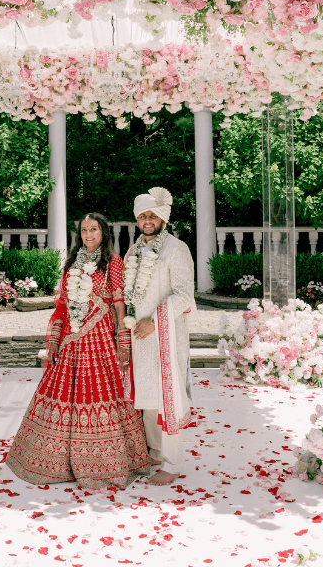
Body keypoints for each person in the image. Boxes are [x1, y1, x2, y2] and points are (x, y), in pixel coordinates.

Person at [5, 213, 154, 488]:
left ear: (103, 232)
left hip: (101, 339)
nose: (88, 235)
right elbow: (62, 305)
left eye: (93, 229)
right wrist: (53, 340)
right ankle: (59, 461)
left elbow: (119, 303)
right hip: (72, 339)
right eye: (84, 230)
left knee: (103, 394)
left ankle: (103, 463)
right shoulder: (72, 262)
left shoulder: (113, 262)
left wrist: (123, 341)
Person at [123, 187, 196, 486]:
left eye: (153, 215)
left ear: (163, 218)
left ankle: (172, 463)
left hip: (165, 335)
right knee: (147, 397)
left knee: (169, 397)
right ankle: (154, 453)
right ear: (137, 219)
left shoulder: (176, 249)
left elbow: (184, 295)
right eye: (143, 216)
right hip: (139, 338)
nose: (147, 220)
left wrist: (153, 321)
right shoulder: (132, 251)